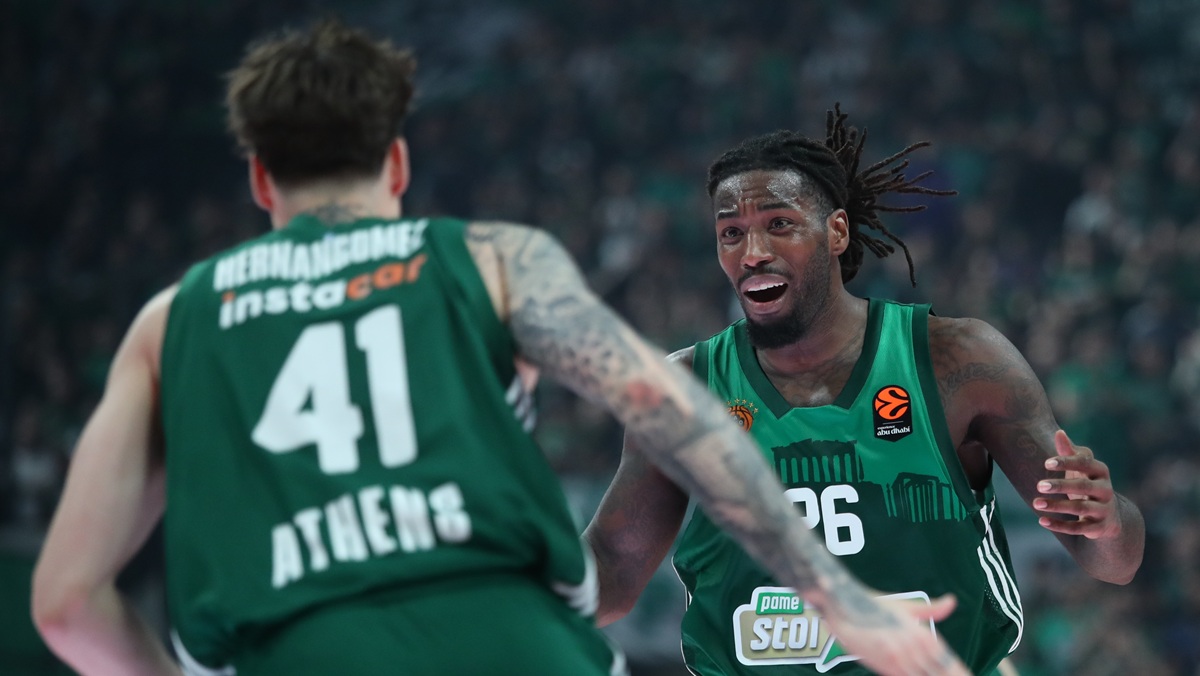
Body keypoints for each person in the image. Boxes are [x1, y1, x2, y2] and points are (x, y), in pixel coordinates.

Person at [29, 21, 970, 676]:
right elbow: (674, 415)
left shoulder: (172, 321)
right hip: (516, 649)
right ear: (397, 162)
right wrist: (834, 594)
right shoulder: (493, 262)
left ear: (259, 179)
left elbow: (67, 604)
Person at [584, 106, 1147, 675]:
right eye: (732, 233)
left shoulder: (957, 360)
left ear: (836, 231)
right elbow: (611, 572)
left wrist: (1107, 522)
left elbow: (1113, 561)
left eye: (779, 224)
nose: (752, 252)